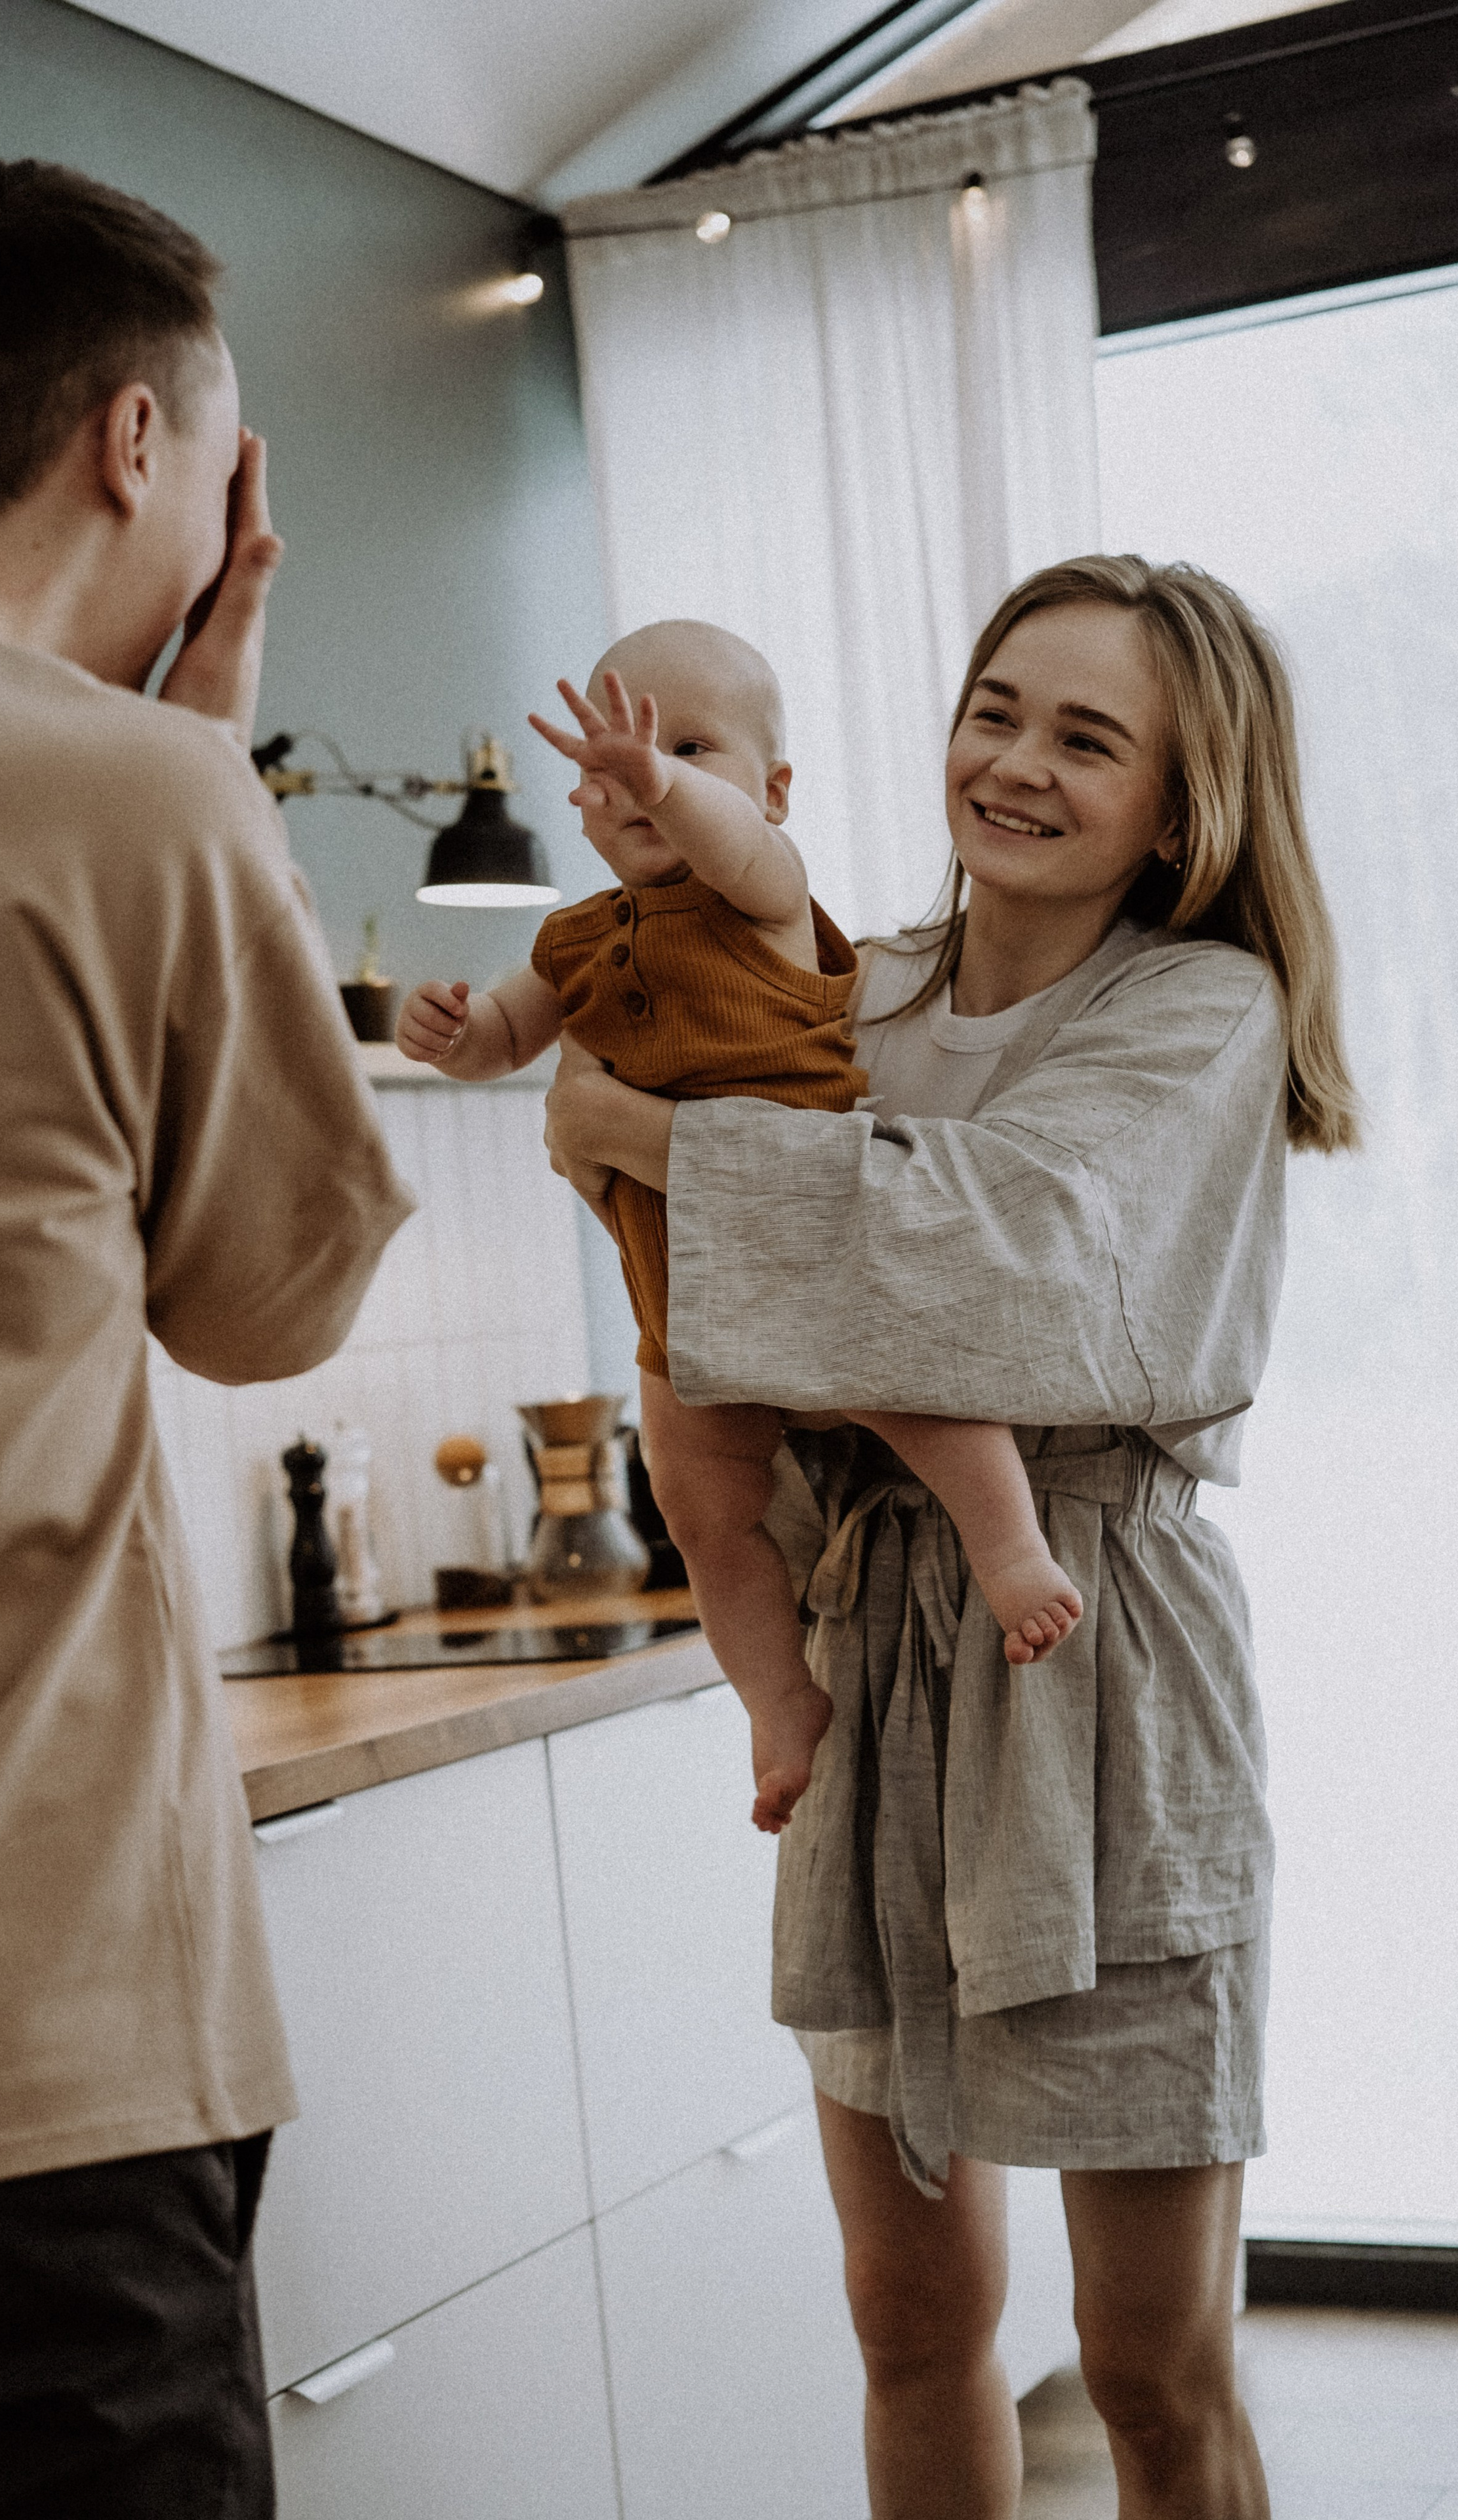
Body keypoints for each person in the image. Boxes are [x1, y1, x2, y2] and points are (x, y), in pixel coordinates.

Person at [542, 560, 1358, 2519]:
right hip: (872, 1635)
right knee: (907, 2323)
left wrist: (642, 1131)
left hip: (1090, 1648)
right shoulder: (853, 977)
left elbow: (990, 1250)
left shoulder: (1199, 1008)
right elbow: (745, 1249)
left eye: (1088, 737)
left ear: (1182, 802)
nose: (1015, 762)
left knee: (1157, 2370)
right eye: (997, 708)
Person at [0, 157, 413, 2517]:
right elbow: (275, 1299)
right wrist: (205, 767)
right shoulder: (133, 788)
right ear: (138, 446)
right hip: (9, 2063)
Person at [396, 620, 1081, 1832]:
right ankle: (777, 1701)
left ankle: (1011, 1545)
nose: (644, 778)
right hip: (680, 1297)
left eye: (685, 747)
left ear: (768, 790)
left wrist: (662, 781)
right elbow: (512, 1041)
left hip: (814, 1238)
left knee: (916, 1383)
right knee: (699, 1506)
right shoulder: (571, 939)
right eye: (613, 768)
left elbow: (737, 849)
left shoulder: (764, 893)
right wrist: (457, 1037)